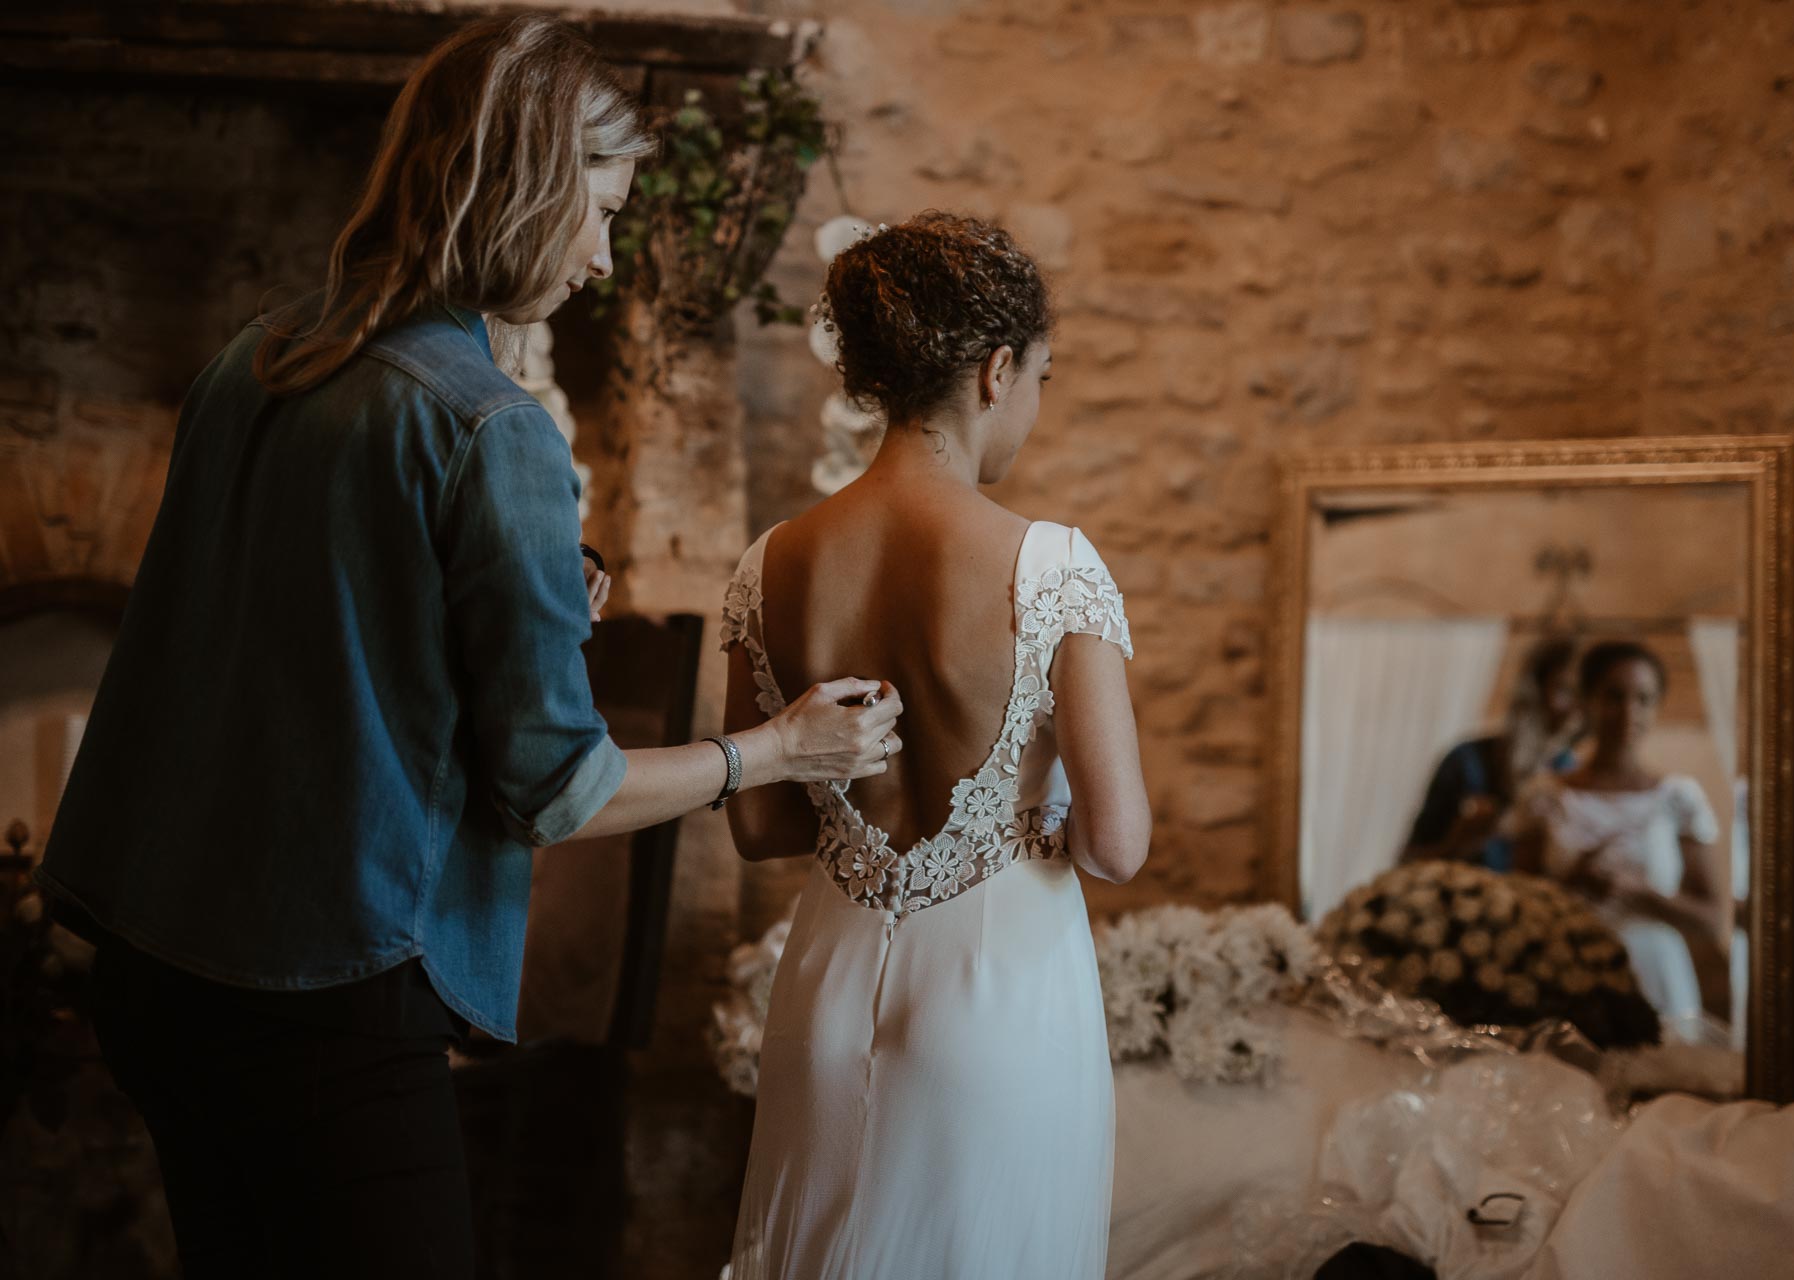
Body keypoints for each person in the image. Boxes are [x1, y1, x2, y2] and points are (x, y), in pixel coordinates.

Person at [32, 17, 901, 1278]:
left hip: (159, 968)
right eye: (598, 211)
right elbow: (559, 789)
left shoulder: (253, 359)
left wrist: (524, 601)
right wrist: (774, 748)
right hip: (323, 997)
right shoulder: (490, 428)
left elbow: (302, 630)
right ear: (524, 192)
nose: (604, 258)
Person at [719, 212, 1151, 1279]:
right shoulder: (1051, 565)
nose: (1034, 410)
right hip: (1002, 997)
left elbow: (763, 822)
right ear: (997, 371)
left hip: (823, 988)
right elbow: (1116, 843)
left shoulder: (766, 563)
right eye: (1042, 376)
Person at [1506, 640, 1723, 1032]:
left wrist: (1641, 894)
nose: (1628, 713)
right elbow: (1516, 907)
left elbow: (1710, 919)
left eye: (1643, 699)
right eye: (1614, 697)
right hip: (1567, 971)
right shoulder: (1546, 796)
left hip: (1657, 974)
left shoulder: (1677, 798)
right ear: (1587, 701)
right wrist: (1569, 882)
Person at [1400, 637, 1580, 872]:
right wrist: (1459, 843)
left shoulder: (1572, 775)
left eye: (1582, 695)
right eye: (1564, 690)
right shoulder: (1467, 762)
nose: (1574, 709)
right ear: (1534, 690)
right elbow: (1408, 861)